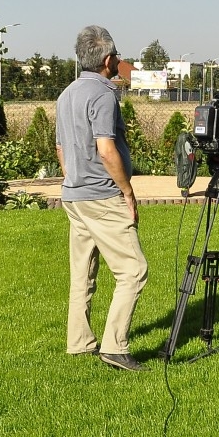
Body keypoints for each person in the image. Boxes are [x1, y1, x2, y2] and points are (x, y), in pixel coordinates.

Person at [53, 25, 149, 371]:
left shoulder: (66, 95)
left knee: (83, 274)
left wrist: (73, 180)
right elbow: (106, 149)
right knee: (133, 271)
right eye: (117, 55)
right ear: (108, 59)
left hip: (74, 196)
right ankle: (115, 346)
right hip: (102, 196)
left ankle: (79, 343)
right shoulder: (103, 95)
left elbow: (61, 148)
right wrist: (126, 191)